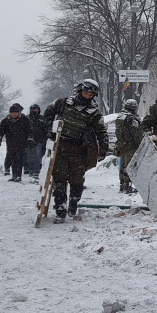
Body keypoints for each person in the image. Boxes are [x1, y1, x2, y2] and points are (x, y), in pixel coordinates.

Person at [43, 79, 108, 224]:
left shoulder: (94, 113)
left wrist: (103, 147)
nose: (87, 96)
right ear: (79, 91)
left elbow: (101, 131)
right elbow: (47, 114)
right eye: (85, 92)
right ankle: (60, 210)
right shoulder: (63, 103)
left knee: (77, 181)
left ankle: (73, 204)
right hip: (60, 147)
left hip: (79, 150)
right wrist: (51, 130)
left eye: (90, 94)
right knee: (59, 181)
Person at [0, 103, 31, 182]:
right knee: (13, 159)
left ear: (18, 113)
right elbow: (0, 130)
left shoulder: (24, 119)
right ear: (10, 113)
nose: (14, 114)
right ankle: (14, 175)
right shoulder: (6, 121)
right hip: (10, 142)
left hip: (21, 142)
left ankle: (18, 175)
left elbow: (29, 130)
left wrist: (30, 138)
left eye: (15, 113)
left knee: (19, 159)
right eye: (12, 113)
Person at [114, 99, 143, 194]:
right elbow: (136, 134)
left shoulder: (120, 117)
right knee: (129, 167)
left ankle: (122, 185)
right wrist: (141, 143)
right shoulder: (131, 119)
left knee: (122, 166)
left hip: (121, 145)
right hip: (130, 146)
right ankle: (127, 186)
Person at [26, 104, 47, 179]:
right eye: (34, 109)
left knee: (38, 156)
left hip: (39, 140)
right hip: (29, 140)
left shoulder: (42, 118)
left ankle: (36, 171)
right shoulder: (27, 118)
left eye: (36, 109)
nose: (35, 111)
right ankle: (31, 170)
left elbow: (45, 129)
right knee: (30, 156)